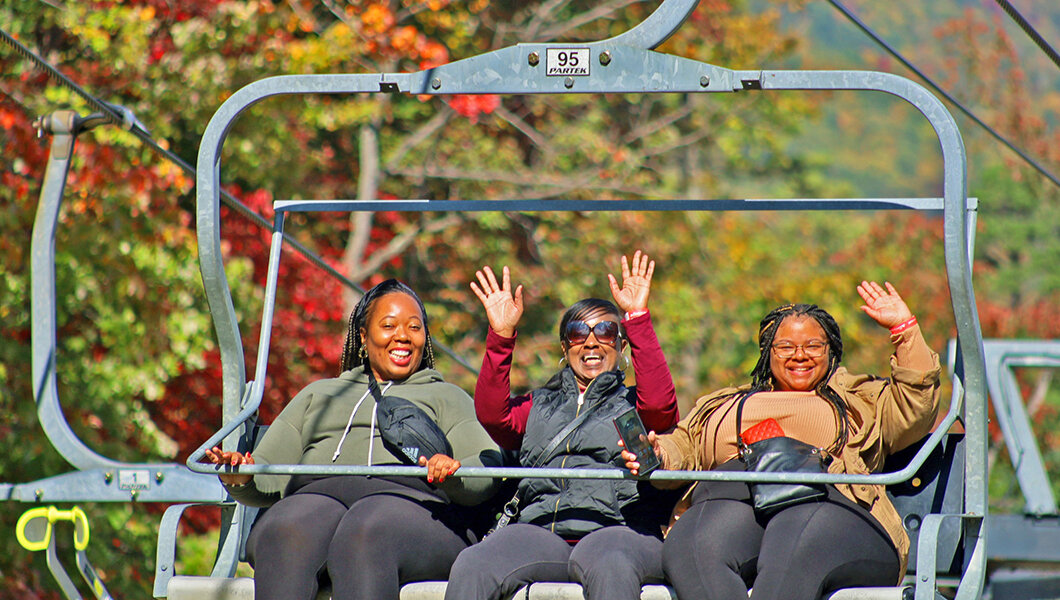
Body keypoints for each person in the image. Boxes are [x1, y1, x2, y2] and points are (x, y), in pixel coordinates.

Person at [623, 280, 942, 600]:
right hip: (734, 502)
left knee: (794, 529)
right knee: (691, 544)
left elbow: (917, 404)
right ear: (767, 353)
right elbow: (683, 445)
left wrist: (906, 331)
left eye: (814, 346)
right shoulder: (721, 405)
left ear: (831, 351)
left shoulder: (861, 400)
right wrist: (657, 453)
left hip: (831, 513)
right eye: (786, 347)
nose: (800, 356)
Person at [204, 279, 502, 600]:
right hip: (319, 498)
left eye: (414, 328)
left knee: (367, 527)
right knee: (286, 528)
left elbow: (486, 466)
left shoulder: (446, 396)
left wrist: (451, 473)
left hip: (413, 512)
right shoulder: (320, 396)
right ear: (363, 336)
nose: (402, 336)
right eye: (388, 325)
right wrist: (241, 477)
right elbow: (267, 474)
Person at [444, 250, 681, 600]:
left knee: (610, 565)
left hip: (617, 531)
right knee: (474, 563)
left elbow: (662, 406)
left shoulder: (636, 405)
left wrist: (637, 317)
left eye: (605, 330)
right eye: (577, 332)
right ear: (564, 346)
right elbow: (494, 416)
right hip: (542, 533)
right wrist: (501, 335)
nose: (591, 341)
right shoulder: (539, 404)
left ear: (621, 345)